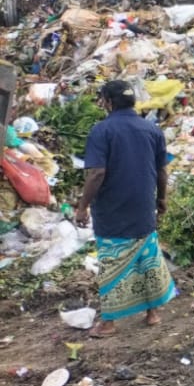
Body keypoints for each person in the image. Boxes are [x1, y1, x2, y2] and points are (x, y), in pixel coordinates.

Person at [73, 79, 175, 335]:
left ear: (108, 102)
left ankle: (109, 321)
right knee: (146, 256)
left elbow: (96, 173)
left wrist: (82, 206)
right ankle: (152, 313)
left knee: (113, 261)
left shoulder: (102, 130)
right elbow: (162, 171)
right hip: (142, 205)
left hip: (113, 208)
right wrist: (162, 199)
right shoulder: (152, 129)